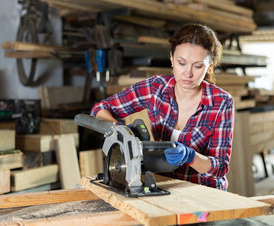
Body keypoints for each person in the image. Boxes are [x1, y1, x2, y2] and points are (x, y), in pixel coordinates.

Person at [90, 23, 234, 191]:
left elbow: (220, 167)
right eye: (181, 63)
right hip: (164, 187)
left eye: (197, 66)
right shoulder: (155, 88)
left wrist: (190, 156)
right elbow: (100, 109)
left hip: (204, 192)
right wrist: (122, 131)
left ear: (209, 66)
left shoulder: (222, 102)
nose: (188, 74)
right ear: (171, 58)